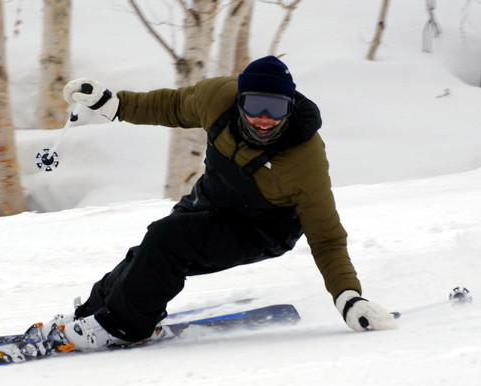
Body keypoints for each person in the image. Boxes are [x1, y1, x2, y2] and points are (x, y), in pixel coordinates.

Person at [42, 56, 397, 350]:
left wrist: (348, 297)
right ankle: (92, 314)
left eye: (275, 109)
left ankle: (122, 327)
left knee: (167, 241)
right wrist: (113, 104)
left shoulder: (305, 159)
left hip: (263, 227)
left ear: (289, 109)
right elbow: (172, 106)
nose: (264, 118)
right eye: (255, 105)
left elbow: (327, 236)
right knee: (151, 251)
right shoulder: (217, 97)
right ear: (240, 99)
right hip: (214, 196)